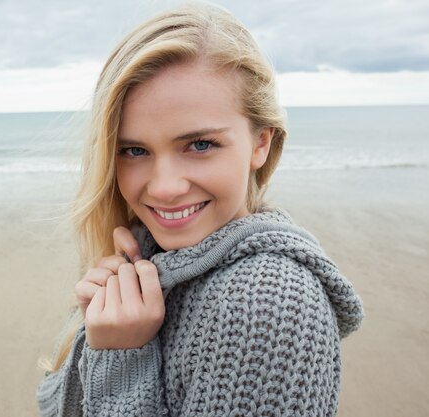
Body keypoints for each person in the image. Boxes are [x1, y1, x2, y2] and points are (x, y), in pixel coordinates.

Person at [36, 3, 364, 416]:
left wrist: (121, 357)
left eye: (200, 144)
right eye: (134, 150)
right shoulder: (147, 258)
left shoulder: (268, 303)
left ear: (260, 143)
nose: (165, 187)